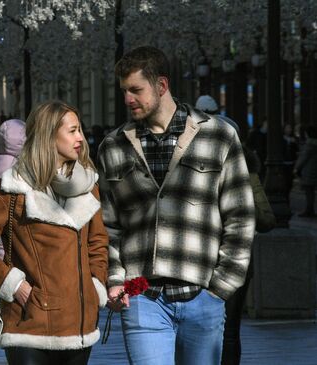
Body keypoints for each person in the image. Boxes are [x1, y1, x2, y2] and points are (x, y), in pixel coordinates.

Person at [97, 46, 255, 365]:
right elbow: (108, 225)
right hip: (142, 296)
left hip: (203, 294)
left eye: (136, 90)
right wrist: (116, 280)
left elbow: (240, 216)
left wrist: (221, 286)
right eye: (124, 91)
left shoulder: (219, 136)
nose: (128, 99)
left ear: (161, 86)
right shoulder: (113, 146)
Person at [0, 101, 109, 365]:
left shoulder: (89, 185)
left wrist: (95, 285)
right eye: (73, 131)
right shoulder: (12, 188)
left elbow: (97, 242)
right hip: (28, 325)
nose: (80, 138)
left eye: (80, 130)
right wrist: (13, 283)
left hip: (79, 325)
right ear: (48, 135)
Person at [195, 95, 276, 365]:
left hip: (208, 258)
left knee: (209, 329)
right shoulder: (247, 172)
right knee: (229, 331)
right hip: (233, 259)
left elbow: (265, 219)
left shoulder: (198, 170)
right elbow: (266, 219)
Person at [295, 125, 317, 217]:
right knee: (311, 191)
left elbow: (303, 158)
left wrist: (296, 168)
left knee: (309, 192)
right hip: (314, 170)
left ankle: (309, 210)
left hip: (308, 171)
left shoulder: (309, 144)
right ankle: (310, 210)